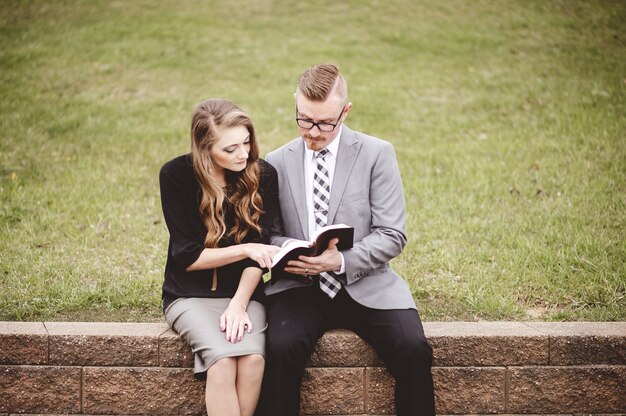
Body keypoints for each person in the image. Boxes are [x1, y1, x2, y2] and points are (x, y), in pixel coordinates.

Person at [257, 64, 435, 416]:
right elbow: (267, 233)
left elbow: (393, 235)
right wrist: (288, 252)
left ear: (345, 111)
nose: (313, 132)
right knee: (279, 349)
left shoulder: (376, 154)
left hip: (367, 282)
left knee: (414, 348)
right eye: (304, 120)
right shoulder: (276, 162)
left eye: (325, 123)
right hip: (298, 286)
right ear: (295, 104)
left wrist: (339, 261)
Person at [159, 98, 280, 416]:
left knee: (252, 360)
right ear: (204, 148)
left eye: (246, 141)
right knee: (224, 362)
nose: (243, 154)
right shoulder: (175, 176)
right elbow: (188, 257)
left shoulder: (263, 175)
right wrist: (244, 248)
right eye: (230, 149)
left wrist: (239, 304)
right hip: (187, 294)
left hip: (244, 292)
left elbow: (261, 255)